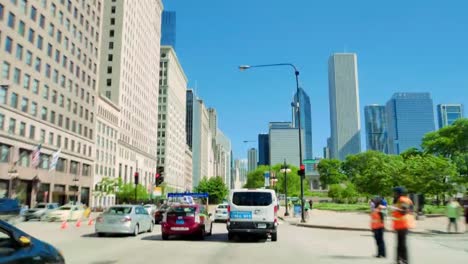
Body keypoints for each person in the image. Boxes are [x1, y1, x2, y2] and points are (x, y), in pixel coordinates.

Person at [391, 187, 413, 264]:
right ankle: (399, 259)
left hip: (403, 224)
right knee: (399, 243)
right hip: (400, 225)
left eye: (395, 192)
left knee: (402, 244)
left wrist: (395, 208)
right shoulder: (398, 200)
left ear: (399, 193)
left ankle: (404, 260)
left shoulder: (403, 200)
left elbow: (404, 211)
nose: (393, 194)